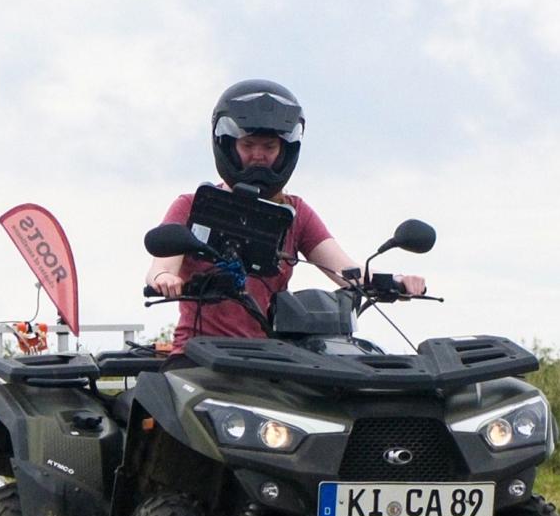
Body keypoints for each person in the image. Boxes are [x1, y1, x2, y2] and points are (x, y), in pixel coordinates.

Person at [146, 79, 426, 354]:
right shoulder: (193, 206)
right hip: (199, 358)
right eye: (248, 145)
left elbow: (346, 272)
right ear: (228, 145)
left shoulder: (294, 213)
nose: (258, 155)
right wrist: (164, 279)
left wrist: (396, 282)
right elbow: (161, 267)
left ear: (284, 151)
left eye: (269, 147)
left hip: (269, 360)